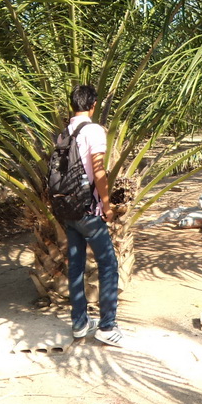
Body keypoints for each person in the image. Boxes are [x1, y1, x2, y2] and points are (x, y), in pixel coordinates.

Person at [60, 84, 124, 347]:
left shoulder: (64, 132)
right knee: (108, 264)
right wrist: (106, 206)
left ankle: (80, 323)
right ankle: (107, 326)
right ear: (93, 105)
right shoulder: (93, 130)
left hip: (68, 210)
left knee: (75, 266)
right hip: (89, 211)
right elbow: (98, 171)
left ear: (72, 104)